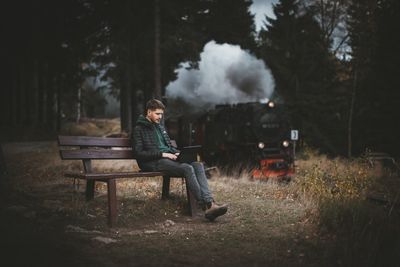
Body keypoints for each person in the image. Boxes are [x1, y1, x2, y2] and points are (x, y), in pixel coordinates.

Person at [132, 99, 228, 221]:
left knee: (197, 165)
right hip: (152, 162)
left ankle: (210, 203)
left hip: (166, 159)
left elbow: (168, 146)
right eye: (157, 114)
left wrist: (177, 152)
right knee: (187, 168)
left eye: (161, 114)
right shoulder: (139, 129)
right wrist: (163, 154)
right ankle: (207, 206)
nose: (160, 117)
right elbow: (139, 154)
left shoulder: (160, 127)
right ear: (149, 112)